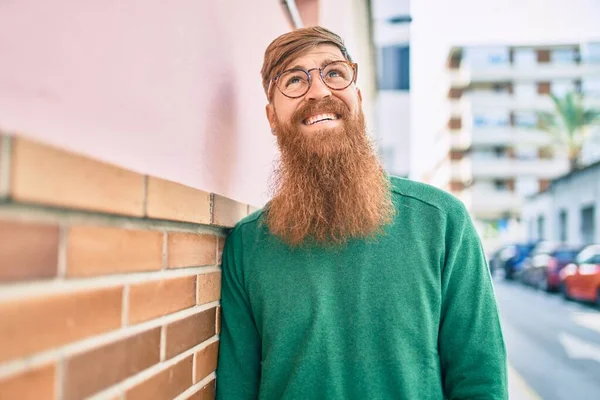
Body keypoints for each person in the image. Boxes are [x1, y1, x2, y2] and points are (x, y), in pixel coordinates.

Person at [216, 26, 507, 400]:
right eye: (293, 79)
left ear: (358, 99)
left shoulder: (443, 221)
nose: (319, 91)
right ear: (272, 118)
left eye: (334, 73)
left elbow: (481, 380)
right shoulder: (247, 244)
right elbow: (236, 390)